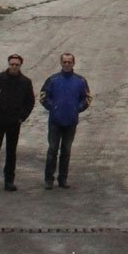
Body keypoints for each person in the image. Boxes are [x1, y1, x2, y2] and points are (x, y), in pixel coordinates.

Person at [39, 52, 92, 188]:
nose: (67, 64)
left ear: (74, 63)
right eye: (65, 62)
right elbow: (43, 96)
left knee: (66, 151)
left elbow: (87, 98)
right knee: (52, 150)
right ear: (61, 63)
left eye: (69, 62)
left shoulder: (80, 81)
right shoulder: (53, 80)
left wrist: (77, 108)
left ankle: (63, 179)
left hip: (71, 121)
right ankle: (48, 179)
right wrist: (53, 108)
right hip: (55, 121)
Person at [0, 53, 35, 193]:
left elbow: (30, 101)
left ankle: (9, 180)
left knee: (11, 152)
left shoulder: (25, 82)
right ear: (8, 64)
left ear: (20, 66)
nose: (13, 67)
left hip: (14, 122)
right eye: (12, 64)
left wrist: (22, 117)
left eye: (16, 65)